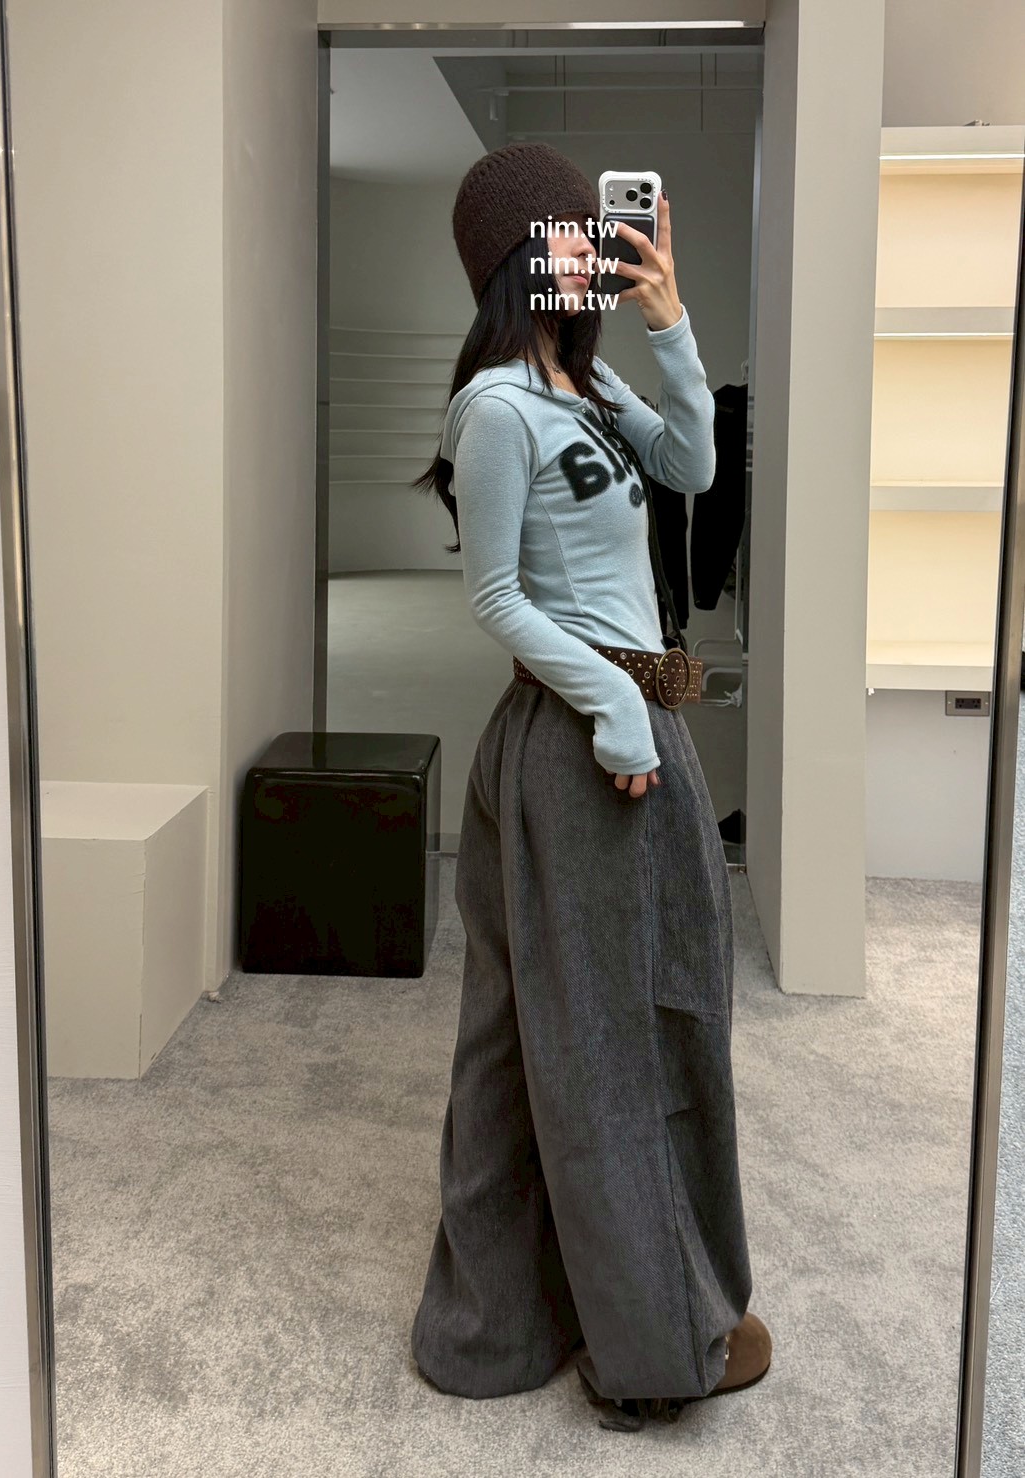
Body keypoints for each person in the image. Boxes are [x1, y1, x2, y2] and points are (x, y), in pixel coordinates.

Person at [409, 141, 771, 1434]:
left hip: (623, 723)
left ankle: (502, 1318)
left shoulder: (591, 380)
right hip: (586, 742)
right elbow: (498, 595)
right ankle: (651, 1344)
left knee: (544, 1031)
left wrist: (671, 325)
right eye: (575, 232)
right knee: (621, 1036)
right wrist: (618, 712)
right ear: (525, 256)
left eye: (600, 229)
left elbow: (695, 468)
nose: (599, 251)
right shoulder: (498, 408)